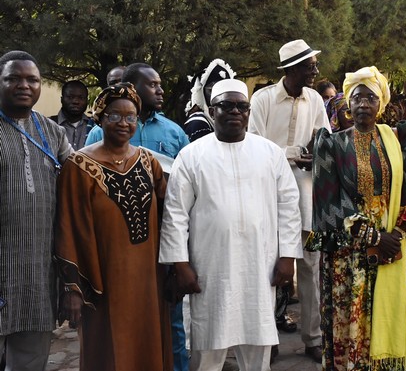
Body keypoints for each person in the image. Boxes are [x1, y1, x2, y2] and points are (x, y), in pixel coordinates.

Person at [159, 78, 303, 371]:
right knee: (208, 349)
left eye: (242, 106)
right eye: (226, 105)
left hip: (259, 266)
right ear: (213, 111)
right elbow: (175, 214)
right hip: (210, 268)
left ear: (249, 112)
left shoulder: (270, 153)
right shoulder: (191, 155)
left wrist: (288, 257)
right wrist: (180, 264)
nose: (235, 112)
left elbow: (289, 207)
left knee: (257, 347)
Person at [306, 66, 406, 370]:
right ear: (347, 103)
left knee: (391, 315)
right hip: (349, 252)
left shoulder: (399, 138)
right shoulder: (332, 144)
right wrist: (373, 237)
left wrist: (397, 234)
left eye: (370, 98)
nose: (363, 104)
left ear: (380, 103)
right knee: (354, 320)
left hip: (396, 244)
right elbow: (329, 206)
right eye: (357, 97)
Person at [55, 82, 172, 371]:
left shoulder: (148, 162)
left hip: (148, 279)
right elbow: (68, 225)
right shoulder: (79, 165)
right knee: (107, 353)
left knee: (149, 345)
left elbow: (168, 215)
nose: (124, 123)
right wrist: (73, 287)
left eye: (130, 116)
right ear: (100, 117)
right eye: (115, 116)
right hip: (104, 282)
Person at [85, 63, 190, 371]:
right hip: (115, 250)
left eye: (160, 84)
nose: (160, 90)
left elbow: (182, 195)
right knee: (117, 323)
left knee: (171, 323)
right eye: (153, 84)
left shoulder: (174, 131)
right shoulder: (97, 132)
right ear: (133, 86)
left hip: (161, 242)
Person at [248, 39, 330, 362]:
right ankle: (268, 339)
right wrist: (294, 153)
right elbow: (253, 146)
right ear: (293, 68)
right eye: (311, 66)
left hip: (307, 194)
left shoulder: (315, 100)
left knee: (311, 267)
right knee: (271, 267)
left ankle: (313, 338)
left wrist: (317, 155)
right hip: (270, 194)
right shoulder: (263, 99)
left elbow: (324, 140)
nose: (316, 71)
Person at [0, 50, 72, 371]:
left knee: (30, 360)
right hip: (2, 265)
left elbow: (81, 180)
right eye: (13, 78)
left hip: (37, 274)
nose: (24, 85)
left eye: (32, 79)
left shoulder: (52, 132)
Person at [184, 58, 236, 142]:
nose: (220, 96)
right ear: (202, 93)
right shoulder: (198, 123)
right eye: (212, 91)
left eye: (225, 91)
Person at [49, 79, 94, 150]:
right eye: (70, 97)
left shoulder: (93, 126)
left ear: (87, 101)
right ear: (62, 99)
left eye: (81, 98)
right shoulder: (48, 125)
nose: (75, 101)